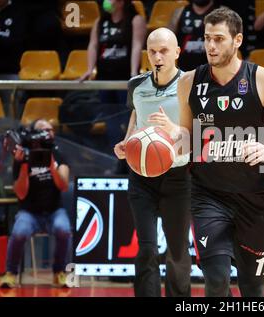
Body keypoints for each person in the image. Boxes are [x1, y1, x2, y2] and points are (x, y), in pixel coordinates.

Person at [175, 7, 264, 297]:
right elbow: (184, 134)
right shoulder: (189, 83)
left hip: (255, 197)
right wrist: (164, 141)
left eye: (219, 39)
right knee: (216, 279)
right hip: (208, 194)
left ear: (237, 40)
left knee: (252, 287)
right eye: (207, 38)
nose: (210, 45)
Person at [113, 28, 191, 297]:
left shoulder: (191, 85)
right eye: (152, 51)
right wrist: (126, 142)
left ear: (178, 52)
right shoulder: (136, 84)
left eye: (164, 50)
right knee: (146, 248)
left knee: (177, 250)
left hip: (179, 176)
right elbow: (136, 116)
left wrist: (173, 130)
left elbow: (203, 134)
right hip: (141, 176)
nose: (157, 56)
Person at [0, 119, 71, 288]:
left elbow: (64, 185)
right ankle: (10, 273)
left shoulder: (57, 153)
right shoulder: (23, 155)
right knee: (19, 231)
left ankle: (59, 272)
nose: (49, 133)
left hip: (54, 210)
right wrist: (24, 165)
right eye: (45, 130)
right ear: (34, 134)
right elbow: (20, 193)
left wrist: (51, 164)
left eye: (51, 129)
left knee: (64, 229)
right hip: (29, 212)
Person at [79, 0, 146, 150]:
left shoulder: (135, 20)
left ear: (121, 2)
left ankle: (130, 155)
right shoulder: (100, 21)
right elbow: (93, 45)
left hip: (123, 80)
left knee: (126, 119)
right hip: (104, 78)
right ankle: (114, 155)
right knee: (111, 121)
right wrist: (90, 69)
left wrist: (133, 73)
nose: (106, 2)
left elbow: (137, 46)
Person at [169, 0, 219, 71]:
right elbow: (167, 39)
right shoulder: (180, 12)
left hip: (212, 69)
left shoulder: (223, 12)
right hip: (183, 69)